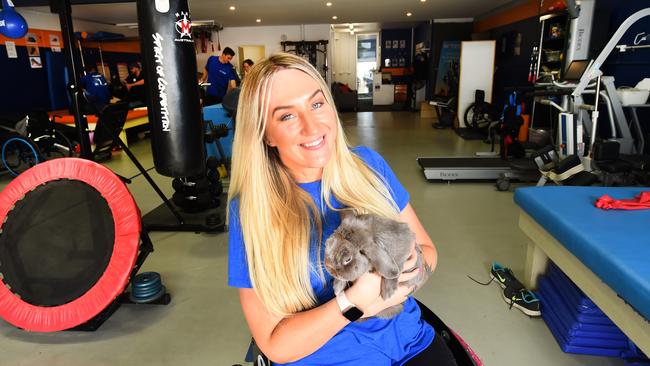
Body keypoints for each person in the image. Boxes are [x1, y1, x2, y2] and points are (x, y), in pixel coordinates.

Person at [228, 53, 457, 365]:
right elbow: (274, 345)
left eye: (316, 104)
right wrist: (353, 303)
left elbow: (428, 251)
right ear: (265, 134)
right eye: (287, 116)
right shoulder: (250, 210)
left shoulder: (368, 165)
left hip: (410, 343)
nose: (312, 127)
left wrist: (403, 274)